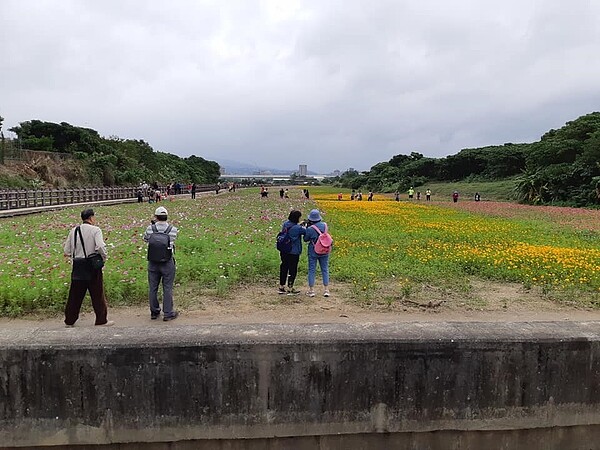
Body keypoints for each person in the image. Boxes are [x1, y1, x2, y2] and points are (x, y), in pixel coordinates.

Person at [63, 208, 113, 327]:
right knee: (97, 294)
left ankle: (69, 320)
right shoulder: (96, 230)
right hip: (92, 266)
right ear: (91, 218)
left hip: (78, 265)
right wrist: (104, 257)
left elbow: (67, 250)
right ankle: (101, 320)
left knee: (75, 295)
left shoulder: (74, 231)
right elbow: (100, 246)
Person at [143, 206, 179, 321]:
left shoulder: (150, 229)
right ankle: (168, 313)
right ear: (167, 217)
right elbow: (173, 240)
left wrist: (153, 225)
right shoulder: (173, 229)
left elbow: (145, 239)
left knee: (153, 287)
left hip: (153, 262)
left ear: (156, 217)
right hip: (167, 261)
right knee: (167, 287)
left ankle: (154, 312)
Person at [278, 210, 306, 295]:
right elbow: (304, 232)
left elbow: (292, 229)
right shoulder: (298, 228)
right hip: (293, 251)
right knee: (292, 269)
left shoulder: (286, 224)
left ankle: (281, 286)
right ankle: (290, 287)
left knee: (284, 267)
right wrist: (304, 226)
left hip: (284, 250)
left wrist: (299, 225)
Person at [303, 209, 330, 297]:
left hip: (313, 250)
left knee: (312, 269)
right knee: (325, 269)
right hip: (325, 250)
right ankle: (326, 290)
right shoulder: (325, 225)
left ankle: (312, 290)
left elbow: (305, 239)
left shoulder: (310, 229)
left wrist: (306, 229)